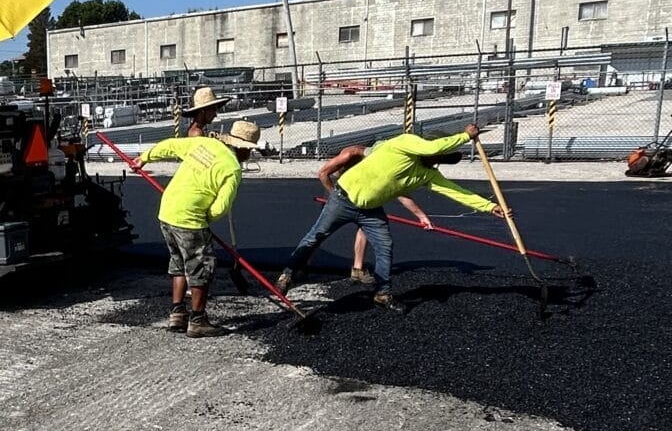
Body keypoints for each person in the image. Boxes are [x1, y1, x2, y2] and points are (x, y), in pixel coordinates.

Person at [277, 123, 501, 313]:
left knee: (385, 245)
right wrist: (465, 136)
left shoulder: (428, 173)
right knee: (316, 236)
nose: (436, 163)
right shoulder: (404, 143)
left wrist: (490, 206)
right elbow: (325, 172)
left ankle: (383, 293)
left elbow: (455, 191)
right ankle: (287, 275)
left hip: (371, 210)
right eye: (437, 158)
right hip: (343, 198)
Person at [136, 118, 262, 336]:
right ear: (242, 148)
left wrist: (144, 158)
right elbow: (221, 207)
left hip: (167, 211)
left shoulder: (204, 144)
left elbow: (170, 146)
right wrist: (202, 220)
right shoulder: (232, 169)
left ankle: (177, 314)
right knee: (200, 267)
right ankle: (198, 320)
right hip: (190, 219)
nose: (249, 155)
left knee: (178, 263)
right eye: (248, 151)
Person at [318, 143, 432, 282]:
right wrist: (335, 198)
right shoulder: (349, 155)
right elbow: (323, 174)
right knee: (323, 230)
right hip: (338, 189)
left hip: (361, 193)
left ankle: (357, 269)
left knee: (365, 226)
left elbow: (401, 194)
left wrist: (421, 216)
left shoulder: (380, 165)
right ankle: (303, 264)